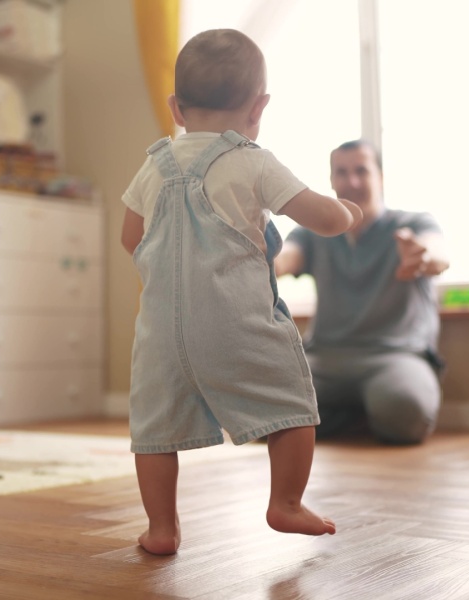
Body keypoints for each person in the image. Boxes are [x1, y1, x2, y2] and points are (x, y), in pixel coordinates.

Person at [120, 29, 363, 555]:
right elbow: (322, 219)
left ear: (176, 108)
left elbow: (130, 238)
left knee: (155, 431)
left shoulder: (153, 165)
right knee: (294, 404)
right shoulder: (252, 160)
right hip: (236, 323)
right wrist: (347, 211)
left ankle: (161, 529)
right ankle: (287, 503)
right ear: (259, 107)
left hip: (160, 333)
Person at [275, 139, 450, 445]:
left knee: (406, 413)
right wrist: (262, 258)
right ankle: (358, 416)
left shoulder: (414, 223)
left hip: (395, 356)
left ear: (379, 177)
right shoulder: (312, 233)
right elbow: (285, 258)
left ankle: (342, 416)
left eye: (361, 171)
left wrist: (421, 257)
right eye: (341, 172)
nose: (351, 181)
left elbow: (438, 255)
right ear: (331, 180)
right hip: (325, 359)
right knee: (269, 410)